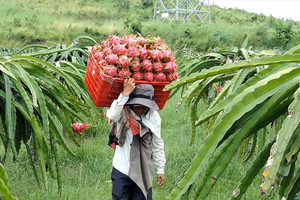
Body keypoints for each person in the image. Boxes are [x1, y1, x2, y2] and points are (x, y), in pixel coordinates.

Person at [106, 78, 166, 200]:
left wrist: (160, 169)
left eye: (144, 106)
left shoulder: (154, 117)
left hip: (143, 170)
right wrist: (125, 94)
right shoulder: (122, 110)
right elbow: (111, 115)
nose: (140, 109)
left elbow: (157, 143)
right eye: (137, 105)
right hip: (121, 168)